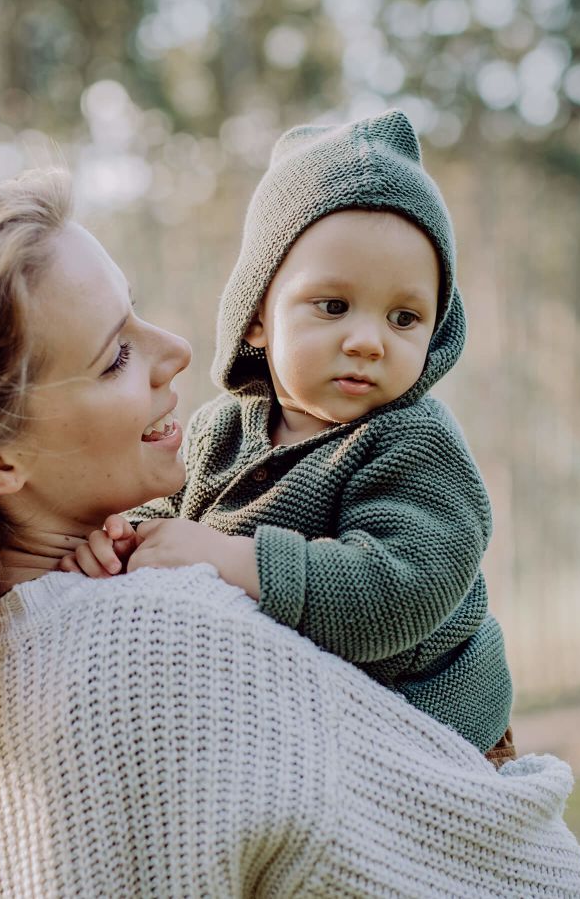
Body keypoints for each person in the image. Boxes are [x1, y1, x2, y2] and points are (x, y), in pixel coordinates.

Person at [0, 171, 580, 897]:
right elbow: (543, 874)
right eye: (114, 356)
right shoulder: (165, 643)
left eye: (140, 318)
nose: (178, 351)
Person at [66, 109, 514, 765]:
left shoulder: (414, 443)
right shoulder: (221, 430)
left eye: (405, 316)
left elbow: (397, 593)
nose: (368, 340)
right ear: (255, 320)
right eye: (333, 306)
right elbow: (166, 520)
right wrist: (115, 540)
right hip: (309, 733)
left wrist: (226, 558)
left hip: (440, 737)